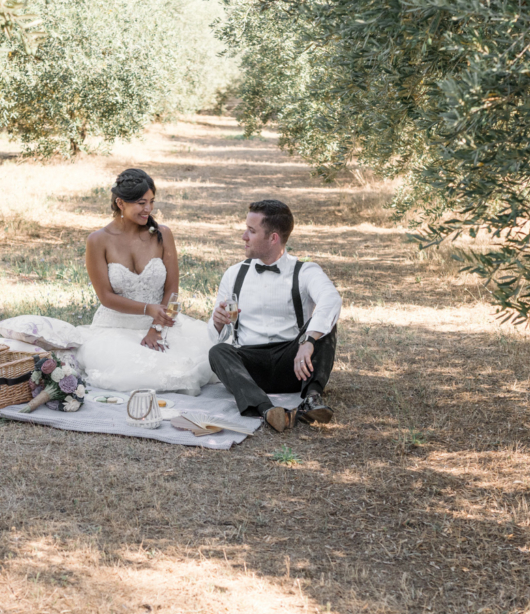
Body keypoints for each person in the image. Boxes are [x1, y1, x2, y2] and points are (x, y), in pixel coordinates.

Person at [66, 169, 218, 395]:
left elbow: (172, 290)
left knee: (194, 363)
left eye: (151, 202)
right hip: (115, 327)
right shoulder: (98, 240)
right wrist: (148, 309)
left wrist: (156, 328)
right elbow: (106, 297)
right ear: (120, 203)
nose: (148, 209)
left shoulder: (162, 234)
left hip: (161, 324)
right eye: (141, 203)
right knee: (137, 371)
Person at [209, 199, 341, 432]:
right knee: (218, 352)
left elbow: (331, 299)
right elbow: (214, 335)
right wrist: (218, 323)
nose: (243, 237)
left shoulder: (305, 271)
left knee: (325, 325)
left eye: (251, 231)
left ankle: (311, 399)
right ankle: (266, 409)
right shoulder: (234, 274)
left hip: (295, 364)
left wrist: (309, 341)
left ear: (273, 238)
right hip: (250, 367)